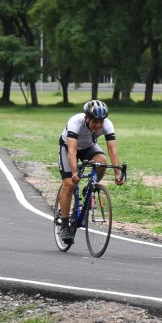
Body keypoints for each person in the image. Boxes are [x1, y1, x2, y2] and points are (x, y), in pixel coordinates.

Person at [57, 100, 125, 244]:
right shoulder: (75, 122)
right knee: (69, 184)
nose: (98, 125)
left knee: (102, 162)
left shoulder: (107, 124)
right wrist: (75, 172)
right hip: (69, 147)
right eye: (95, 122)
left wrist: (117, 173)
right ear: (86, 118)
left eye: (101, 122)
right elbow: (72, 150)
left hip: (88, 147)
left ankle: (89, 188)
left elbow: (112, 149)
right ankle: (64, 224)